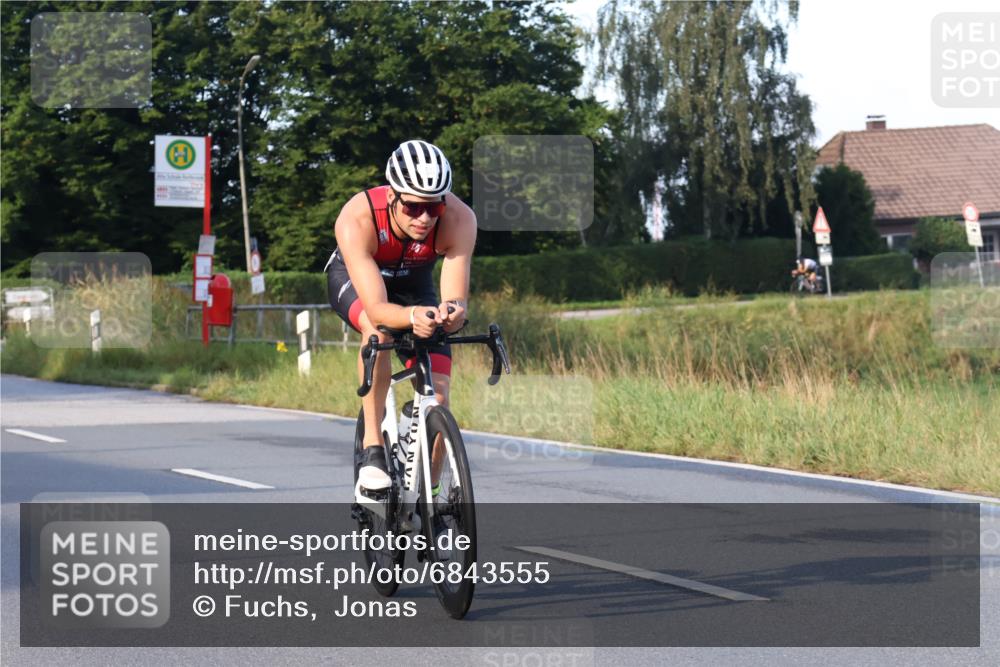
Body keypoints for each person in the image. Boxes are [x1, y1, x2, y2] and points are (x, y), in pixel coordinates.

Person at [326, 140, 477, 492]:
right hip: (358, 282)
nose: (424, 219)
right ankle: (374, 448)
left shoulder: (460, 219)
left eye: (433, 208)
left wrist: (450, 314)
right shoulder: (358, 217)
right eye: (412, 208)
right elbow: (378, 308)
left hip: (414, 285)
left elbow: (455, 298)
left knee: (439, 398)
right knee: (378, 331)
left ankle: (431, 499)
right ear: (392, 196)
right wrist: (410, 316)